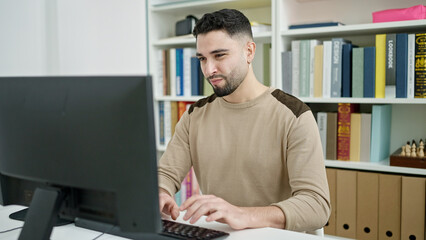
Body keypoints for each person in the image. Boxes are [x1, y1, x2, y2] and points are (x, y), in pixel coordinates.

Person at [158, 8, 330, 232]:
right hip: (217, 234)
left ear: (249, 51)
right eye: (202, 59)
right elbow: (166, 174)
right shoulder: (194, 115)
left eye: (219, 55)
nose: (209, 70)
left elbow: (316, 206)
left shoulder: (294, 115)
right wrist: (161, 194)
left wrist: (242, 214)